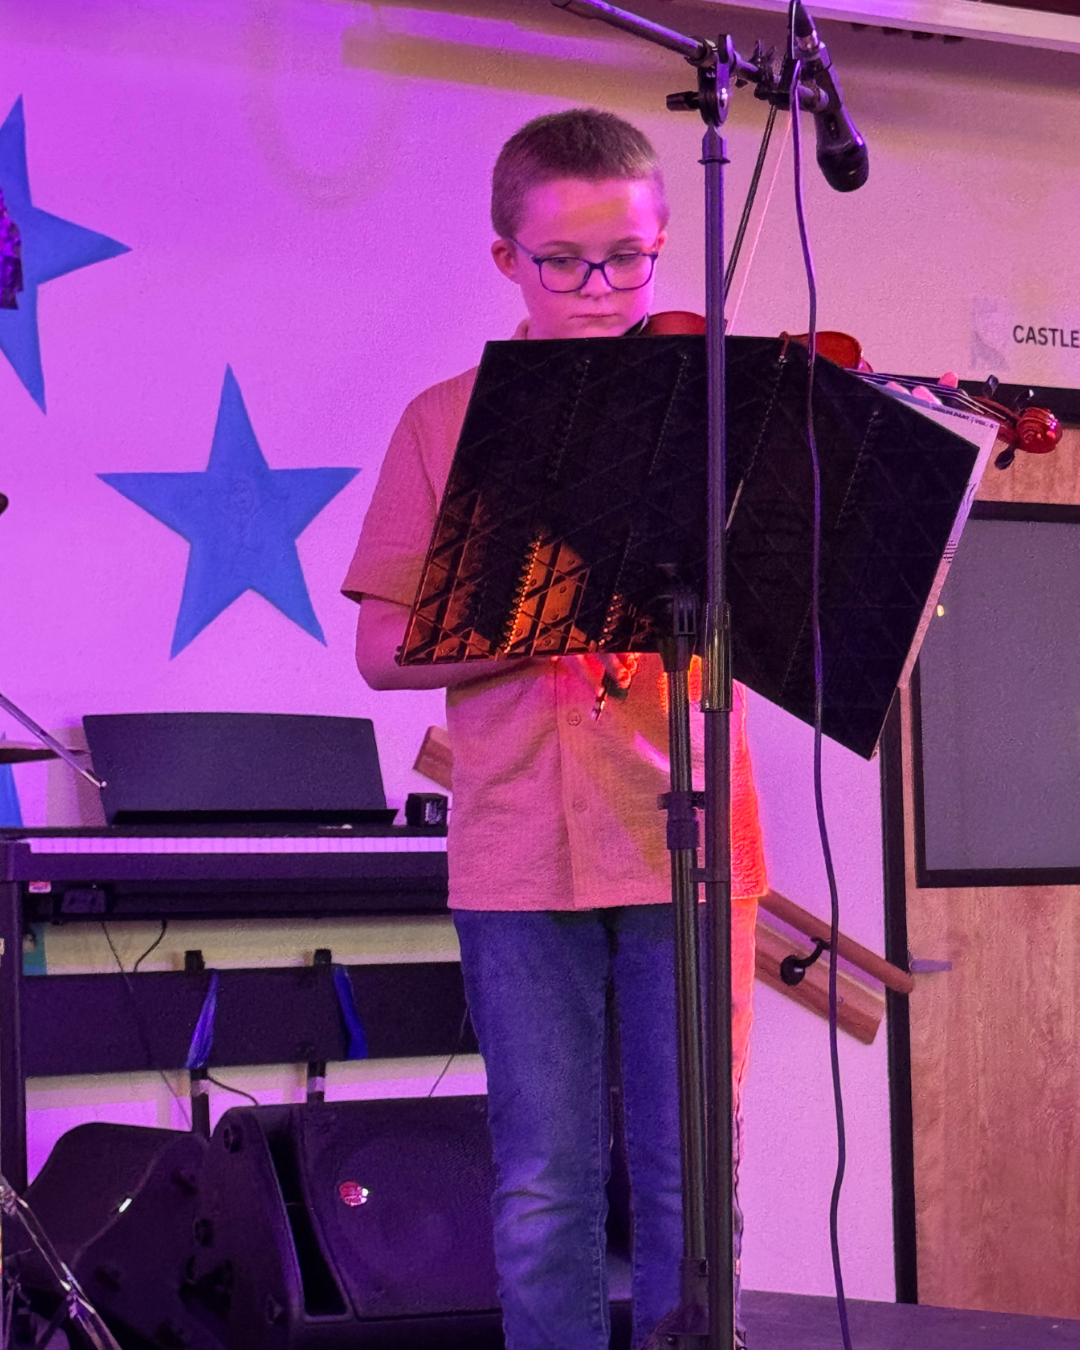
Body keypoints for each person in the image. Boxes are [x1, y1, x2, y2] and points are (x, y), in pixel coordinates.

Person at [343, 108, 767, 1350]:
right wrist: (551, 616)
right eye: (563, 263)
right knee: (543, 1184)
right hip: (521, 846)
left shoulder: (716, 411)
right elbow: (381, 652)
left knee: (693, 1182)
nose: (598, 289)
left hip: (688, 836)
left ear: (663, 241)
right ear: (504, 261)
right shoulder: (444, 420)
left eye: (628, 260)